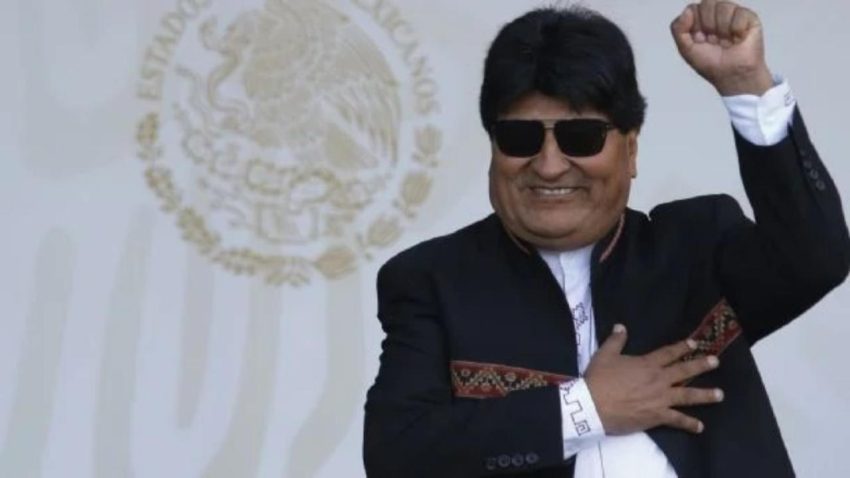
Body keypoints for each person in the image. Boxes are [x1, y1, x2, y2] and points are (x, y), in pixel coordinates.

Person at [363, 1, 850, 476]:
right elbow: (396, 453)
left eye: (581, 137)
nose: (549, 165)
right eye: (520, 138)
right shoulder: (433, 280)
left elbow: (816, 258)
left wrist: (745, 85)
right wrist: (584, 409)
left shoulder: (696, 249)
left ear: (630, 149)